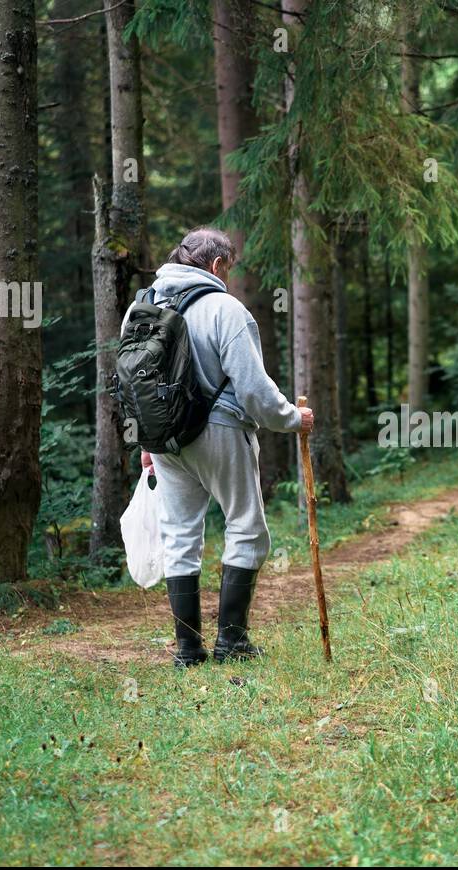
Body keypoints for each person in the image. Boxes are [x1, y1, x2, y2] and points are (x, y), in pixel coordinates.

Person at [132, 226, 313, 667]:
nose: (228, 276)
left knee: (179, 534)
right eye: (227, 269)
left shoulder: (142, 307)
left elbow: (132, 381)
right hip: (220, 431)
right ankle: (231, 642)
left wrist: (145, 439)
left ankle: (188, 650)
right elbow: (253, 390)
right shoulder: (225, 309)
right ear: (216, 266)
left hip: (165, 440)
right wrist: (292, 418)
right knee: (247, 527)